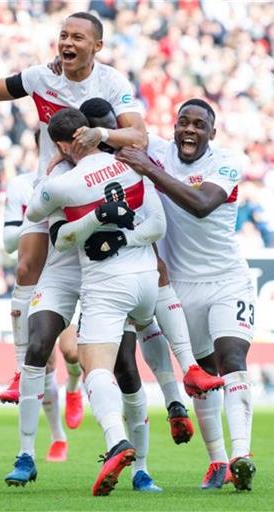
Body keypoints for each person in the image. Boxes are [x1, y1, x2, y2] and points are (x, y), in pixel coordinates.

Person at [0, 12, 147, 411]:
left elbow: (139, 136)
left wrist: (102, 134)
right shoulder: (40, 77)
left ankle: (174, 385)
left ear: (96, 46)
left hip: (104, 196)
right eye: (63, 35)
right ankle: (20, 369)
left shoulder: (114, 83)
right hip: (54, 196)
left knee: (132, 322)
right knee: (27, 267)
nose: (67, 42)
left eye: (77, 37)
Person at [116, 99, 257, 491]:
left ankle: (241, 454)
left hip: (228, 280)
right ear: (174, 127)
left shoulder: (228, 162)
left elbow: (201, 204)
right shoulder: (157, 150)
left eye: (199, 125)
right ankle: (217, 462)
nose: (190, 130)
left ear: (212, 133)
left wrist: (149, 171)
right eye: (183, 123)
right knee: (204, 375)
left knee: (232, 358)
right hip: (181, 286)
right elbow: (108, 126)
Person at [25, 108, 165, 496]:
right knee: (132, 374)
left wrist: (54, 173)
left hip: (107, 283)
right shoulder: (134, 162)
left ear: (62, 144)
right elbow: (158, 226)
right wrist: (129, 237)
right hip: (147, 280)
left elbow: (37, 210)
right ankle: (144, 470)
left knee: (97, 369)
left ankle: (118, 442)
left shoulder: (65, 183)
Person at [76, 98, 224, 444]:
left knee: (124, 362)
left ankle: (135, 454)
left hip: (114, 268)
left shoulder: (122, 158)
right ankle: (176, 396)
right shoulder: (90, 165)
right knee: (139, 336)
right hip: (131, 260)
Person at [1, 170, 79, 461]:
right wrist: (35, 218)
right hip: (36, 278)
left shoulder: (80, 175)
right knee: (42, 358)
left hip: (69, 271)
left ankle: (73, 387)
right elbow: (9, 242)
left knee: (71, 352)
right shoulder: (21, 184)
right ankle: (58, 437)